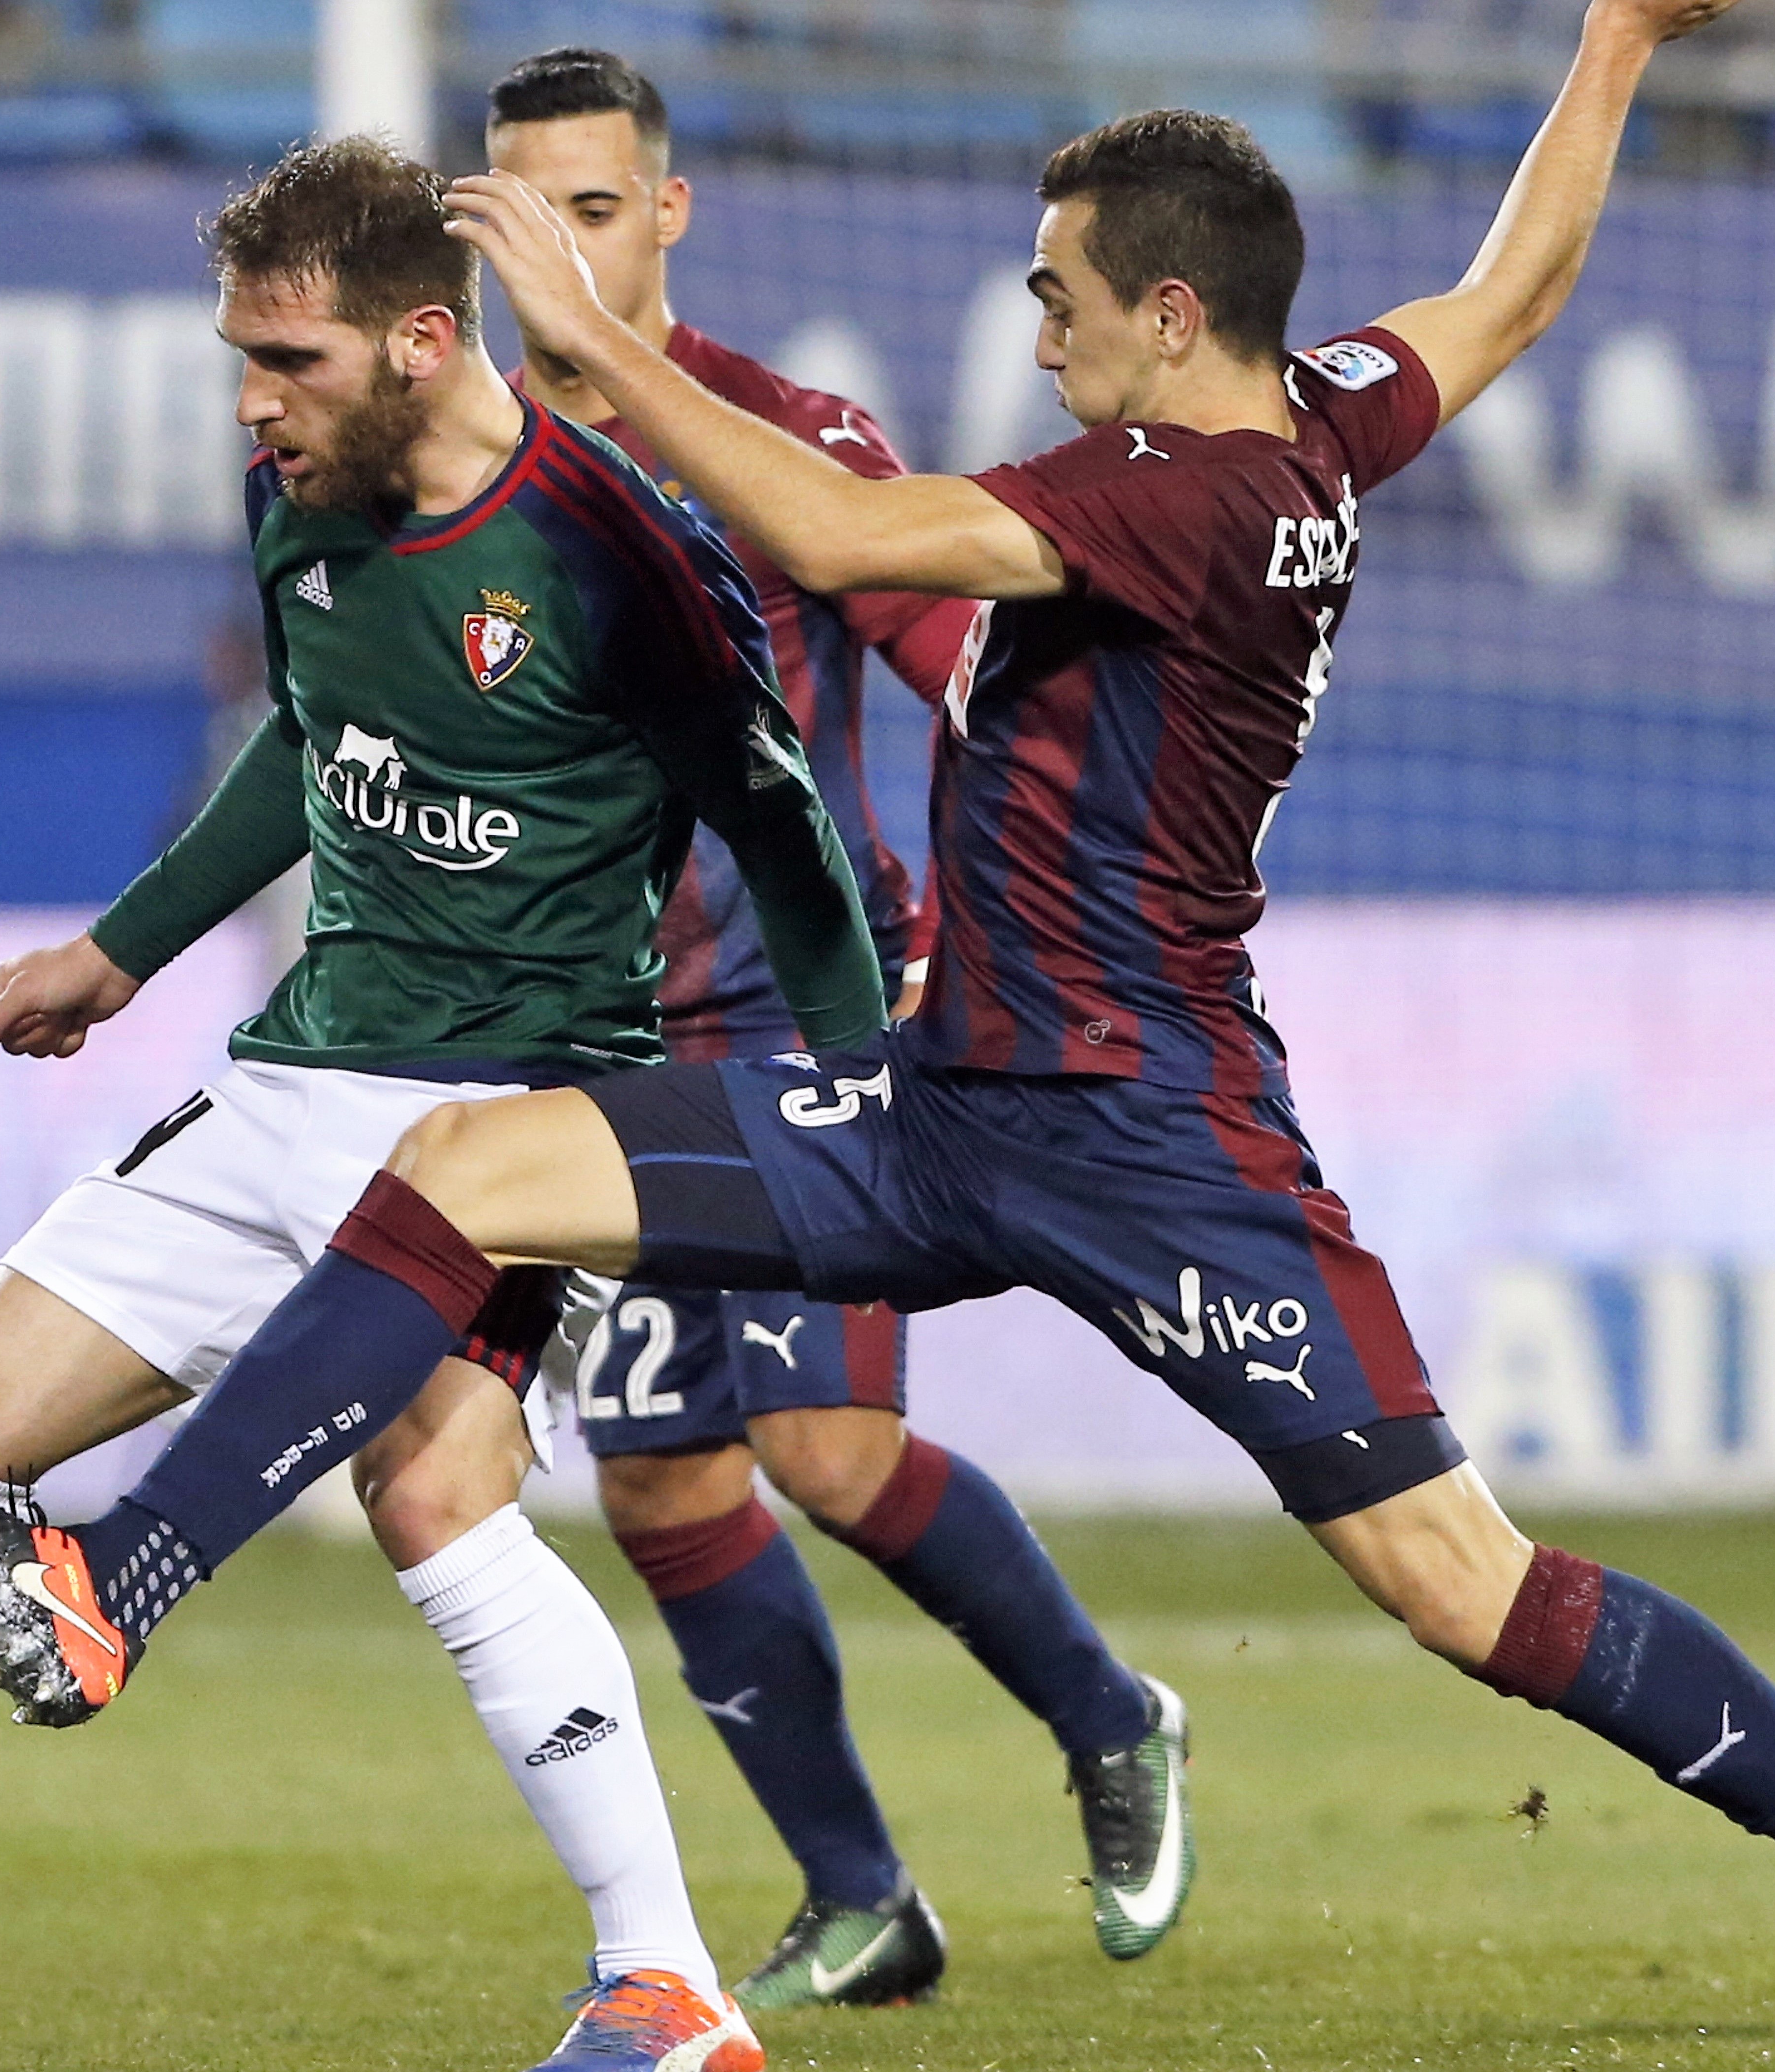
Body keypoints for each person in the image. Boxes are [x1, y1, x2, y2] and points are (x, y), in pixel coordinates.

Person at [0, 4, 1775, 2069]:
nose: (1036, 335)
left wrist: (597, 350)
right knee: (459, 1175)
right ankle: (118, 1584)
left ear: (1170, 313)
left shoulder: (1173, 498)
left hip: (1156, 1141)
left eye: (1058, 296)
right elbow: (1510, 293)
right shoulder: (1324, 414)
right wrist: (1616, 40)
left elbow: (842, 533)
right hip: (941, 1105)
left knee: (1467, 1588)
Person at [0, 134, 896, 2072]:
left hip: (501, 1122)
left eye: (290, 360)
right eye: (242, 358)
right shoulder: (301, 493)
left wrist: (850, 1105)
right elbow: (313, 735)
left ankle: (661, 1979)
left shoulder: (616, 549)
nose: (255, 401)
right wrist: (125, 948)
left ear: (421, 342)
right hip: (292, 1071)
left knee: (434, 1497)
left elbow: (784, 828)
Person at [481, 48, 1189, 2009]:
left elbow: (970, 660)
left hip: (816, 1018)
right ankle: (862, 1896)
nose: (563, 250)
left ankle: (1110, 1714)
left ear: (669, 212)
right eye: (526, 216)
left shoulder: (786, 437)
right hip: (609, 1060)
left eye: (596, 209)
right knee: (660, 1480)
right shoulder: (464, 463)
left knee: (826, 1441)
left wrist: (1008, 900)